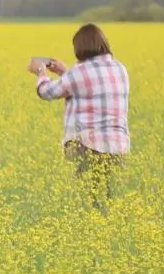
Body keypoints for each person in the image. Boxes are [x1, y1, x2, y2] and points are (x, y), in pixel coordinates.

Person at [29, 23, 129, 207]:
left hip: (88, 146)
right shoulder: (120, 69)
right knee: (109, 201)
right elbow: (92, 86)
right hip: (118, 147)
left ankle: (93, 231)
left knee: (87, 202)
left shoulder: (79, 73)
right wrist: (63, 71)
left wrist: (41, 72)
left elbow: (46, 92)